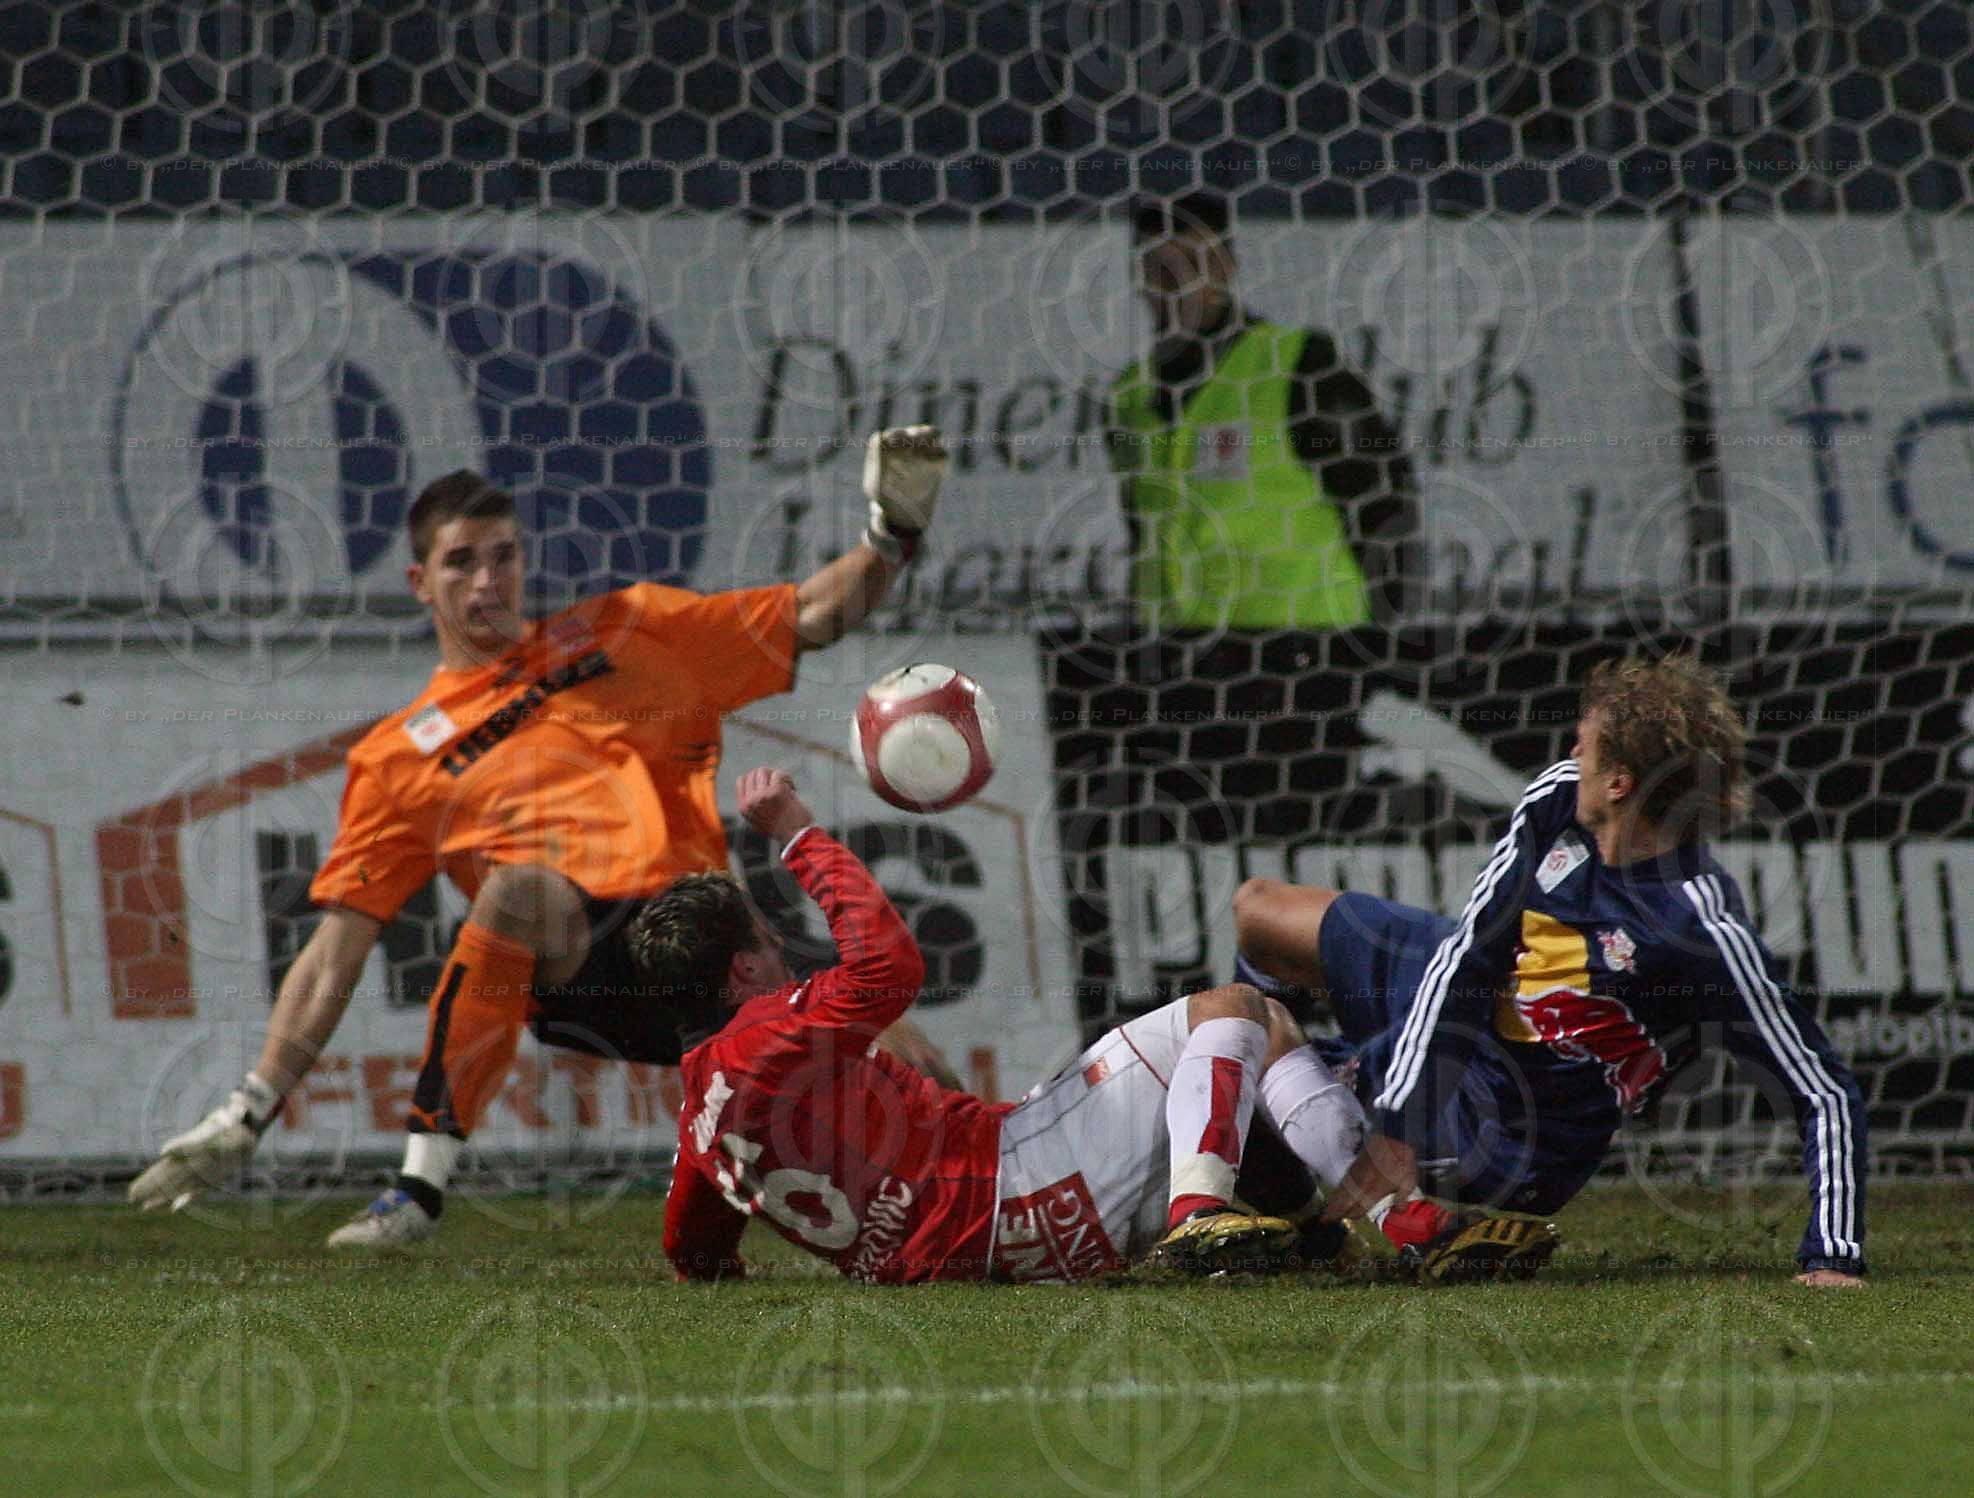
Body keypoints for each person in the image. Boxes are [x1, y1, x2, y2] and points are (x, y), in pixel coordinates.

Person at [129, 428, 953, 1248]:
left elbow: (812, 614)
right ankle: (417, 1190)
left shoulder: (627, 630)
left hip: (706, 941)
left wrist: (891, 535)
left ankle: (995, 1195)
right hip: (582, 962)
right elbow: (332, 956)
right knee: (519, 891)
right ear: (420, 582)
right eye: (461, 562)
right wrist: (250, 1109)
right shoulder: (397, 757)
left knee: (909, 1062)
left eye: (504, 556)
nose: (488, 581)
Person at [1233, 656, 1868, 1286]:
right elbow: (1469, 958)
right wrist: (1401, 1121)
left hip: (1509, 1127)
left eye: (1585, 745)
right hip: (1469, 1008)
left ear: (1618, 783)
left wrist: (1833, 1256)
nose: (1571, 753)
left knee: (1258, 1063)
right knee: (1259, 911)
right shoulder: (1558, 799)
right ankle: (1307, 1082)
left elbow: (1822, 1088)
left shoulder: (1701, 931)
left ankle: (1313, 1199)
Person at [655, 768, 1370, 1284]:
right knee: (1237, 1010)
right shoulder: (767, 1032)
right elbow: (889, 967)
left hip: (977, 1253)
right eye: (766, 936)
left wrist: (722, 1269)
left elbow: (689, 1249)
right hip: (1025, 1184)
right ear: (743, 970)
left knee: (1222, 1068)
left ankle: (1320, 1237)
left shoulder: (700, 1127)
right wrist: (798, 834)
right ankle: (1214, 1219)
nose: (782, 944)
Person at [1107, 189, 1419, 631]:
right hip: (1178, 642)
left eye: (1194, 263)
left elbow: (1383, 494)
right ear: (1137, 277)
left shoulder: (1300, 364)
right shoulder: (1128, 396)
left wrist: (1381, 629)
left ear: (1228, 267)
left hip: (1303, 635)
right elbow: (1142, 525)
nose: (1177, 284)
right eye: (1159, 267)